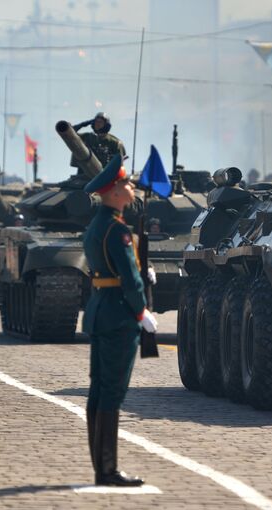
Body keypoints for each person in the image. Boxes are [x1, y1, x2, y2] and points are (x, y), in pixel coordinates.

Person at [82, 154, 158, 486]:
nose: (131, 187)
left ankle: (101, 465)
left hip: (101, 311)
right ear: (113, 191)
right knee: (112, 392)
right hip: (119, 315)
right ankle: (108, 470)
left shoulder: (98, 225)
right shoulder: (117, 229)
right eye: (126, 183)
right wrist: (142, 311)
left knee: (99, 389)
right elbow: (129, 277)